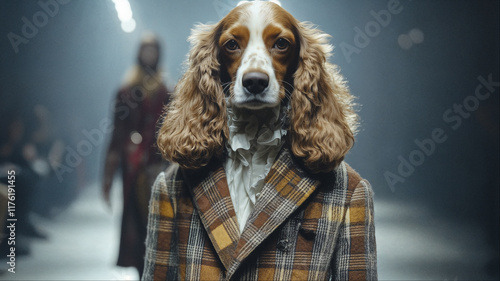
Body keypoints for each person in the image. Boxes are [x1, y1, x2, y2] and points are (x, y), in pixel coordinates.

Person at [102, 33, 170, 277]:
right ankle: (142, 271)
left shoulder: (166, 91)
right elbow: (117, 133)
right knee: (136, 221)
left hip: (159, 166)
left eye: (153, 50)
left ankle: (154, 270)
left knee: (158, 221)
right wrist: (107, 178)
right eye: (146, 49)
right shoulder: (126, 91)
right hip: (132, 168)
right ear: (139, 53)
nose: (149, 54)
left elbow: (170, 130)